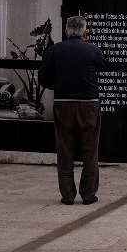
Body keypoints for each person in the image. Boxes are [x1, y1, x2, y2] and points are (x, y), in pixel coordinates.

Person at [39, 16, 108, 206]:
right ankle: (88, 194)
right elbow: (104, 67)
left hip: (63, 105)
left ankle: (68, 195)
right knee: (90, 151)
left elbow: (44, 79)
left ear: (66, 32)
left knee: (65, 151)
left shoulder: (55, 50)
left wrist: (61, 85)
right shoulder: (93, 50)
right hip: (89, 105)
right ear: (85, 32)